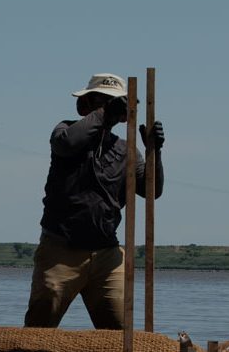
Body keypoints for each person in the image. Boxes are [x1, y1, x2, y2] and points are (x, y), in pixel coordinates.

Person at [24, 73, 165, 330]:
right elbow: (67, 145)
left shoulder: (126, 149)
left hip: (106, 254)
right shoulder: (65, 130)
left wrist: (155, 151)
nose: (107, 108)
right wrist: (105, 114)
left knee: (120, 333)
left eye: (112, 103)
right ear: (85, 106)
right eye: (100, 102)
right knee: (39, 328)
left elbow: (151, 191)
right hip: (60, 251)